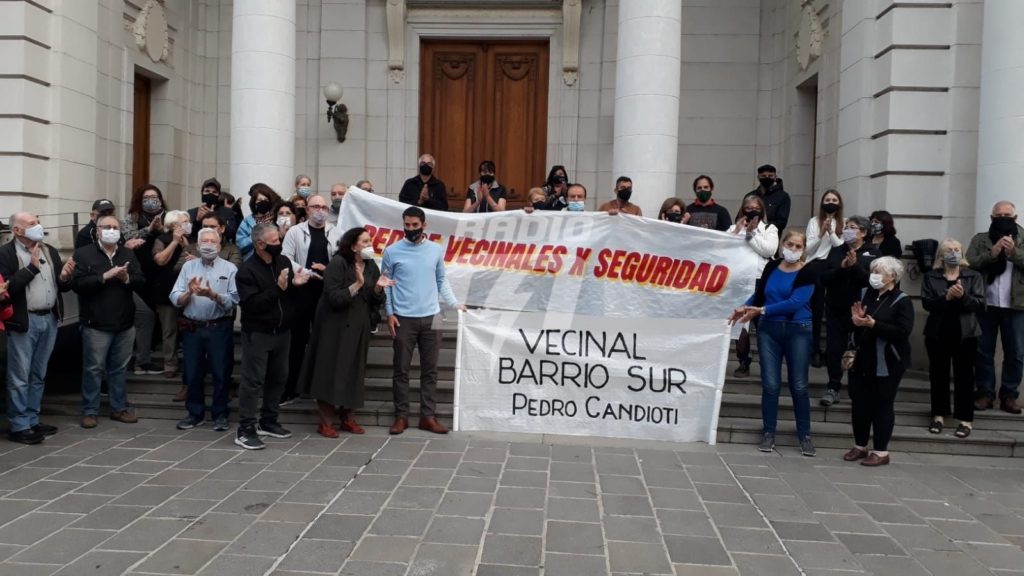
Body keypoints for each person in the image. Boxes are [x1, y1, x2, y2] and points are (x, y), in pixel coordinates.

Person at [728, 229, 818, 457]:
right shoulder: (771, 267)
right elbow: (760, 295)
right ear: (782, 245)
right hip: (769, 330)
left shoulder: (808, 271)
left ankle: (805, 435)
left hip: (798, 329)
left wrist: (761, 310)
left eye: (798, 246)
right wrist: (745, 307)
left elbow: (795, 302)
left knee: (799, 385)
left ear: (803, 250)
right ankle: (768, 432)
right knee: (770, 384)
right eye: (790, 244)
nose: (793, 249)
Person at [300, 227, 392, 438]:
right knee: (329, 370)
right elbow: (334, 297)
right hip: (334, 327)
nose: (369, 245)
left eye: (370, 241)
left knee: (354, 371)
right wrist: (357, 284)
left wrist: (378, 289)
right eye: (365, 241)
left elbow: (376, 300)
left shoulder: (371, 265)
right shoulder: (338, 263)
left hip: (359, 325)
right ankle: (325, 422)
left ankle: (348, 417)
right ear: (353, 245)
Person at [381, 206, 464, 435]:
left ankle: (428, 416)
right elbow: (386, 284)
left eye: (415, 225)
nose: (410, 229)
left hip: (433, 316)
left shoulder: (435, 250)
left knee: (431, 370)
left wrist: (454, 303)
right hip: (403, 318)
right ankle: (401, 416)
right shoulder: (392, 251)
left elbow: (441, 280)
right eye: (407, 225)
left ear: (424, 225)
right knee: (401, 369)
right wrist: (390, 313)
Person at [235, 223, 311, 449]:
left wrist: (295, 285)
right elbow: (251, 305)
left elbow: (288, 295)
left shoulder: (283, 262)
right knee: (253, 381)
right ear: (260, 244)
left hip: (283, 331)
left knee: (279, 378)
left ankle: (268, 421)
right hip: (258, 333)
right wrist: (277, 288)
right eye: (275, 241)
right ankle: (245, 428)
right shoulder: (247, 271)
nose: (279, 244)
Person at [0, 212, 74, 444]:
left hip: (49, 319)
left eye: (38, 222)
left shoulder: (49, 250)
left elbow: (61, 285)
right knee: (19, 376)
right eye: (32, 224)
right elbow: (7, 289)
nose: (38, 227)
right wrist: (31, 268)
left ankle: (32, 419)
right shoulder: (5, 254)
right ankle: (19, 425)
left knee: (38, 374)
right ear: (17, 230)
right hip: (24, 322)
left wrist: (65, 277)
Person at [72, 215, 146, 429]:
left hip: (124, 322)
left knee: (119, 368)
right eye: (107, 227)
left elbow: (141, 280)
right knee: (93, 369)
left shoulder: (127, 253)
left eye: (115, 227)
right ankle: (90, 411)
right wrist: (104, 277)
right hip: (95, 323)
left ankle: (119, 408)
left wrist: (126, 278)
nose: (112, 230)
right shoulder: (83, 254)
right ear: (97, 230)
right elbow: (77, 284)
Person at [844, 256, 914, 466]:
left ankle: (881, 451)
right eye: (872, 271)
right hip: (861, 359)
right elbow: (852, 323)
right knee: (860, 405)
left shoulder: (902, 300)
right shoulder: (864, 293)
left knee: (882, 405)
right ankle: (860, 446)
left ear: (892, 276)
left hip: (887, 362)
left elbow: (903, 331)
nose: (873, 275)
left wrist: (874, 324)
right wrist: (855, 321)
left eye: (878, 272)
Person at [170, 228, 239, 432]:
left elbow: (234, 300)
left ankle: (220, 414)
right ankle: (194, 413)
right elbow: (175, 297)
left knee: (221, 372)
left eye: (212, 241)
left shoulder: (230, 268)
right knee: (192, 372)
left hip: (219, 327)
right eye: (204, 242)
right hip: (193, 328)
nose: (208, 245)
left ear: (219, 245)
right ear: (198, 246)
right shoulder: (188, 267)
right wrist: (188, 293)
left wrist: (212, 295)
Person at [922, 239, 984, 438]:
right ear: (941, 255)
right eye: (949, 250)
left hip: (966, 333)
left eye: (957, 249)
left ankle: (965, 420)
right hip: (938, 332)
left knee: (965, 376)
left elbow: (980, 304)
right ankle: (938, 415)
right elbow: (927, 303)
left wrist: (963, 296)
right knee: (938, 375)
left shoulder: (973, 276)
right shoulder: (931, 276)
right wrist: (946, 297)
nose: (954, 253)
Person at [967, 200, 1024, 413]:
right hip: (986, 304)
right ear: (992, 218)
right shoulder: (981, 239)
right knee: (983, 351)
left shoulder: (1023, 238)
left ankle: (1009, 395)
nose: (1003, 219)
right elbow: (969, 263)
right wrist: (991, 254)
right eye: (999, 216)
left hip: (1016, 305)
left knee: (1016, 352)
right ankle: (985, 393)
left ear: (1015, 218)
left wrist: (1013, 252)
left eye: (1007, 216)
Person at [280, 194, 336, 405]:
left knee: (324, 342)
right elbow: (286, 258)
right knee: (297, 341)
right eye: (315, 206)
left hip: (326, 293)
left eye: (323, 207)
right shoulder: (295, 232)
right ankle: (292, 388)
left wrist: (327, 270)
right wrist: (306, 272)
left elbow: (341, 260)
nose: (320, 210)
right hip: (301, 292)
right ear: (307, 210)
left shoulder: (336, 232)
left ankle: (320, 389)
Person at [818, 216, 878, 407]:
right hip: (836, 308)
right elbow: (824, 278)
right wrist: (842, 268)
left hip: (863, 310)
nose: (847, 231)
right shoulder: (837, 251)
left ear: (864, 232)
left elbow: (872, 281)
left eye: (852, 227)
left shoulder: (873, 253)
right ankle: (833, 387)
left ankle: (860, 390)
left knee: (862, 349)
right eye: (846, 227)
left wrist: (855, 267)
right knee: (834, 348)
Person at [728, 196, 779, 378]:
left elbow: (769, 250)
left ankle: (768, 362)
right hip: (739, 280)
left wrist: (751, 234)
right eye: (748, 207)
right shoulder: (734, 228)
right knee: (741, 325)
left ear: (762, 209)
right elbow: (725, 249)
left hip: (760, 280)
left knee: (762, 323)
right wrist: (738, 232)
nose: (751, 210)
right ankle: (743, 361)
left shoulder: (769, 228)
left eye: (755, 207)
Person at [805, 190, 845, 368]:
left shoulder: (844, 222)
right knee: (816, 310)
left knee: (833, 311)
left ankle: (832, 352)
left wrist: (832, 232)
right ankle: (814, 349)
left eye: (834, 200)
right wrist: (821, 234)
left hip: (835, 267)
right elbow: (808, 249)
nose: (831, 202)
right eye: (827, 199)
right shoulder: (814, 221)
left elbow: (841, 248)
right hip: (817, 266)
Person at [151, 210, 191, 379]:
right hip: (166, 290)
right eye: (184, 221)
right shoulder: (162, 239)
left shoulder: (191, 239)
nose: (188, 224)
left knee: (189, 329)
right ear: (173, 225)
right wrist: (174, 242)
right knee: (169, 330)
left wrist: (184, 243)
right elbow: (160, 260)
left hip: (188, 291)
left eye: (188, 221)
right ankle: (170, 364)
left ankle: (191, 364)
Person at [175, 212, 243, 273]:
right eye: (205, 226)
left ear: (222, 228)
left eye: (212, 227)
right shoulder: (190, 248)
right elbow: (177, 270)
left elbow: (234, 272)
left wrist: (200, 263)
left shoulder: (233, 250)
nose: (208, 229)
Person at [236, 183, 283, 261]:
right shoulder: (247, 222)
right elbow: (240, 246)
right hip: (252, 261)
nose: (263, 202)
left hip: (275, 260)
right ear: (254, 203)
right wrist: (257, 234)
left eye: (266, 200)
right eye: (260, 200)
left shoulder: (276, 219)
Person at [187, 178, 238, 244]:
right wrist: (197, 221)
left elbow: (232, 233)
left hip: (220, 247)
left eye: (214, 192)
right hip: (197, 247)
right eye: (207, 191)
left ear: (218, 195)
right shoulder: (192, 212)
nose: (210, 194)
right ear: (202, 193)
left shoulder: (227, 212)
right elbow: (188, 235)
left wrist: (215, 217)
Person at [749, 164, 791, 231]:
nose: (767, 178)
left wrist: (762, 227)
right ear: (758, 177)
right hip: (749, 232)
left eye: (770, 176)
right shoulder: (751, 196)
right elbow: (740, 217)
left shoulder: (783, 197)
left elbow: (781, 222)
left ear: (775, 177)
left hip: (771, 234)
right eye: (763, 176)